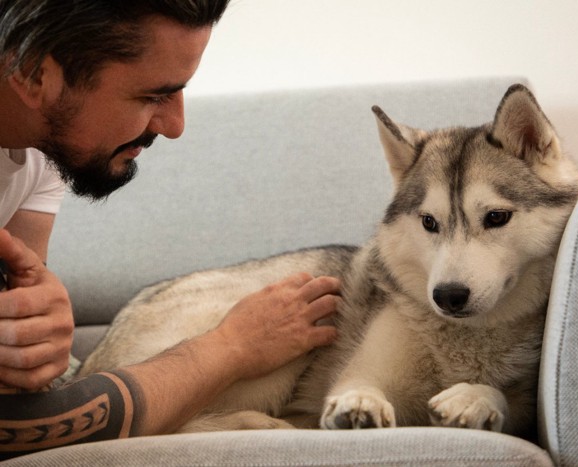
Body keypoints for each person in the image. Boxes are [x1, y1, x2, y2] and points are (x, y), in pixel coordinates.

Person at [0, 1, 341, 458]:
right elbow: (25, 427)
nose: (175, 126)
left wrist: (37, 335)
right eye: (152, 96)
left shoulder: (41, 148)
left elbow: (24, 365)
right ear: (33, 73)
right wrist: (231, 346)